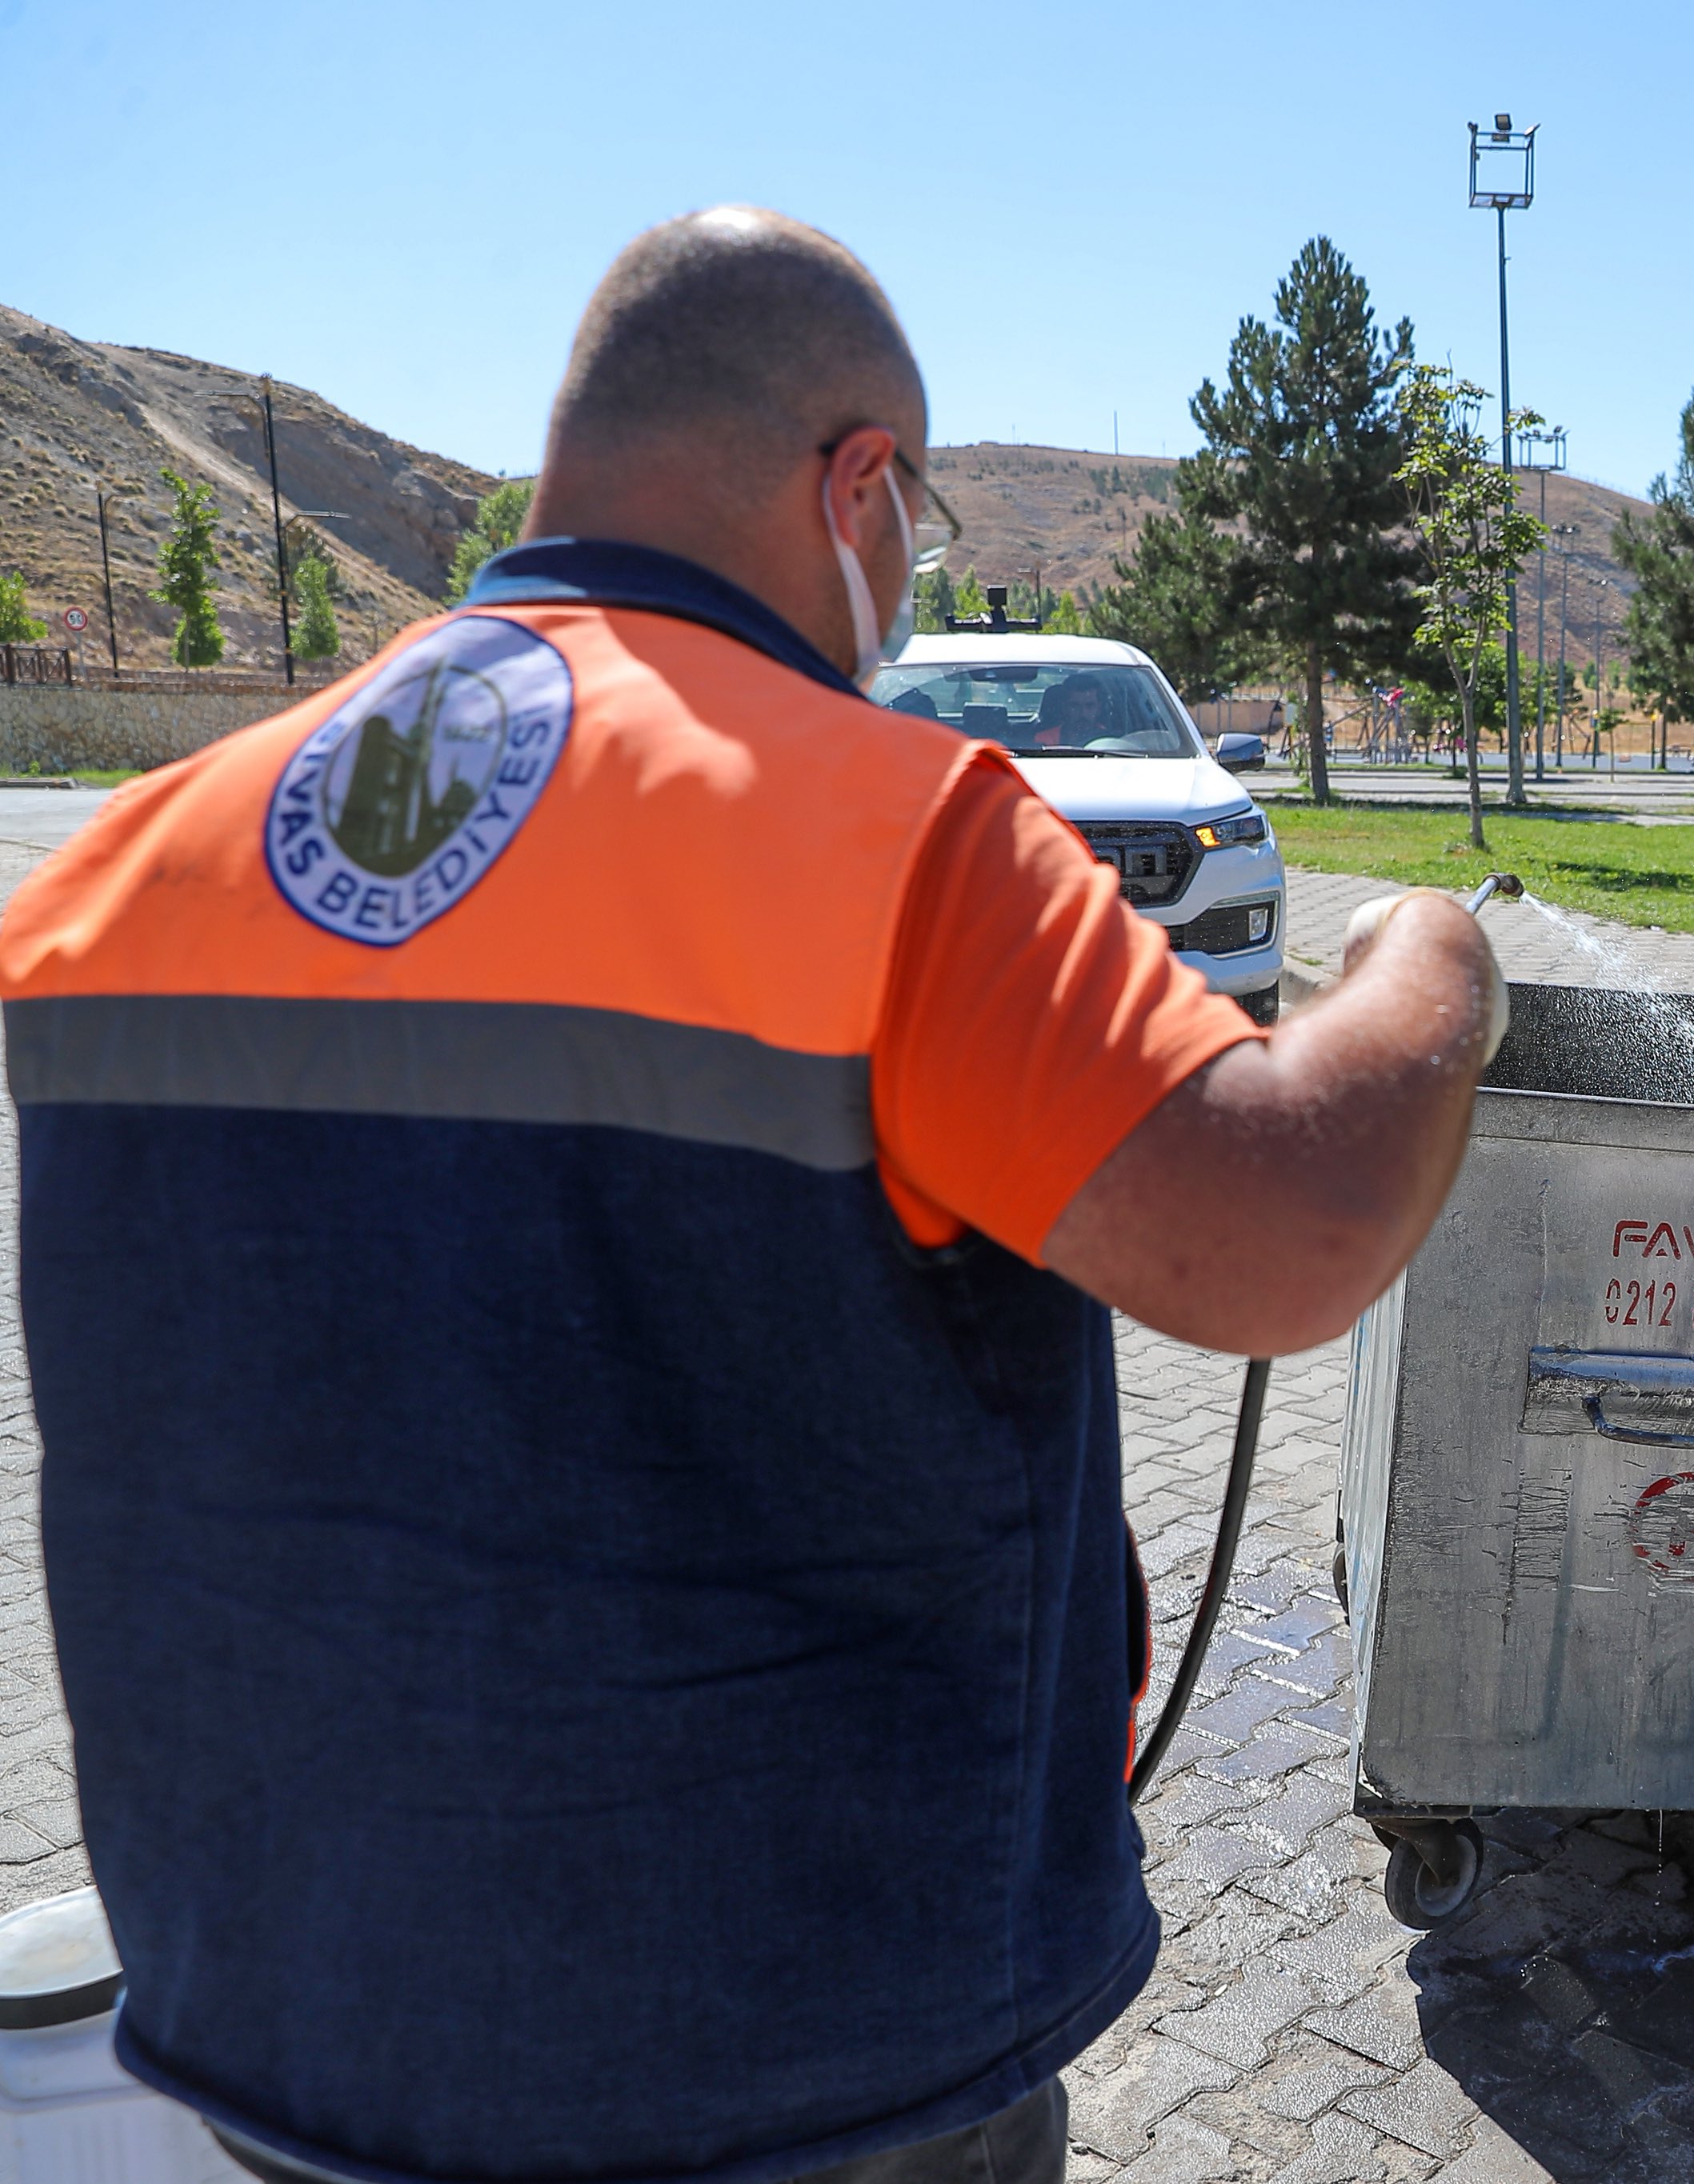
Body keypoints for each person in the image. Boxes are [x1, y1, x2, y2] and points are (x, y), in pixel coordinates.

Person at [0, 208, 1501, 2184]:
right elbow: (1286, 1228)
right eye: (920, 525)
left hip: (289, 2039)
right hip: (789, 2060)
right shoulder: (889, 834)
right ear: (858, 486)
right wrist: (1434, 971)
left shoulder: (127, 872)